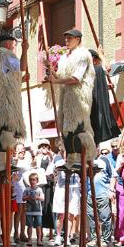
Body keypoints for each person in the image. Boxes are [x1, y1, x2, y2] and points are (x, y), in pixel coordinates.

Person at [47, 29, 96, 168]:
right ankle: (70, 158)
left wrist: (56, 81)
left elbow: (76, 78)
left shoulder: (83, 55)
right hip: (67, 98)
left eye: (70, 38)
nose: (66, 41)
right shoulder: (65, 58)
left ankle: (80, 158)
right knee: (66, 129)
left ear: (78, 39)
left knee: (77, 128)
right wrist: (51, 70)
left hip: (78, 98)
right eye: (66, 38)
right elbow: (61, 77)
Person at [0, 32, 28, 174]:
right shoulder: (6, 53)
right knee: (8, 128)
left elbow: (9, 76)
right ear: (8, 44)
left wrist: (20, 80)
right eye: (13, 44)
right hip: (7, 99)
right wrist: (25, 50)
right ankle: (3, 162)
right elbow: (21, 67)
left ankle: (1, 159)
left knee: (0, 129)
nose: (14, 46)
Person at [88, 47, 121, 145]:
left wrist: (105, 87)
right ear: (94, 59)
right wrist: (101, 55)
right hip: (96, 106)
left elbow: (94, 87)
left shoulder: (87, 72)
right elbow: (107, 67)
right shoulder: (95, 69)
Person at [86, 154, 117, 247]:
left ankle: (105, 239)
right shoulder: (85, 160)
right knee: (91, 217)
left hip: (103, 194)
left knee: (105, 217)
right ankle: (94, 238)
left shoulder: (104, 160)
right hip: (89, 194)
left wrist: (111, 190)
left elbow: (113, 176)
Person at [23, 171, 44, 246]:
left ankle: (39, 240)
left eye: (34, 180)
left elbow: (42, 198)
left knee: (38, 226)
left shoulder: (39, 189)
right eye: (31, 180)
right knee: (30, 226)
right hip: (29, 210)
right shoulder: (27, 189)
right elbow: (23, 198)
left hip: (38, 211)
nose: (32, 181)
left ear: (37, 181)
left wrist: (37, 197)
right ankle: (29, 240)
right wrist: (27, 197)